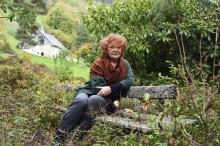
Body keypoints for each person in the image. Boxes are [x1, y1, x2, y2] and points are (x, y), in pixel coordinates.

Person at [53, 33, 134, 145]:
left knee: (94, 100)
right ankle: (59, 137)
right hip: (88, 91)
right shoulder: (98, 63)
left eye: (118, 47)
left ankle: (78, 135)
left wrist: (110, 88)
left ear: (122, 49)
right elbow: (98, 88)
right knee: (81, 100)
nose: (115, 50)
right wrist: (117, 87)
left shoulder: (125, 64)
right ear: (106, 49)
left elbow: (130, 80)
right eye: (112, 47)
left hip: (110, 100)